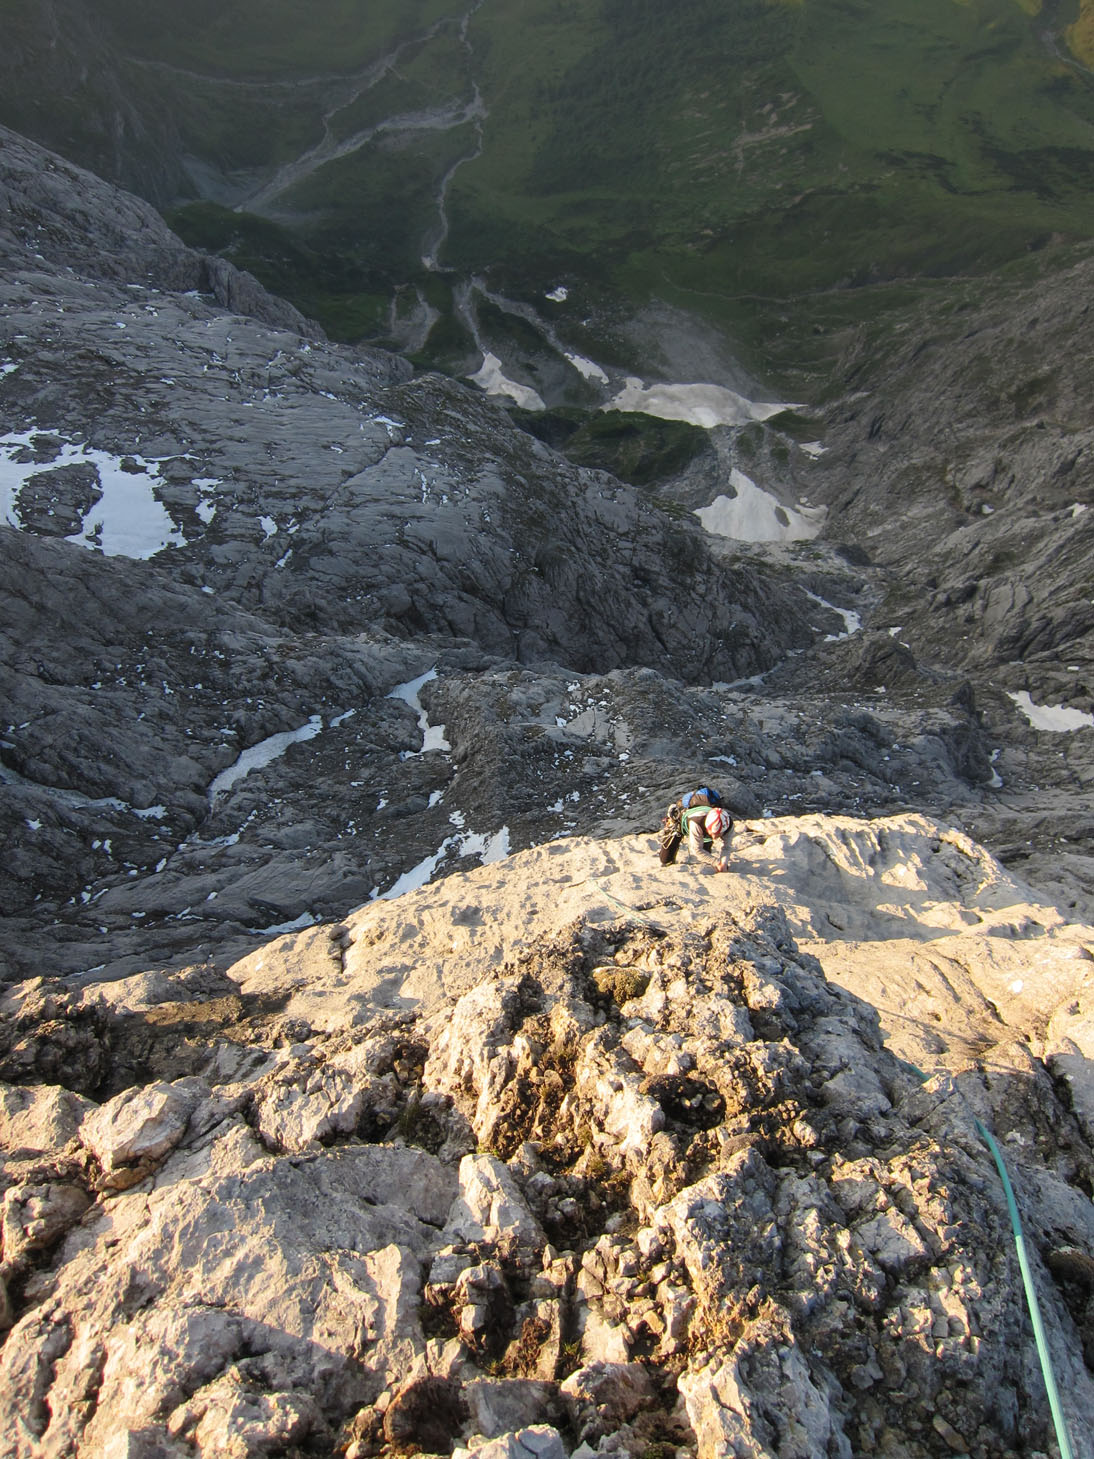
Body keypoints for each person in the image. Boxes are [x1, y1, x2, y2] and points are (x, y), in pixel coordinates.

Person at [658, 788, 733, 870]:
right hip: (683, 823)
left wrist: (724, 863)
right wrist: (717, 862)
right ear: (707, 826)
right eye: (712, 833)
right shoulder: (696, 823)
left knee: (706, 859)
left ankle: (707, 838)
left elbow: (727, 847)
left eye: (718, 834)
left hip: (703, 831)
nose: (714, 837)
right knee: (665, 860)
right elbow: (696, 850)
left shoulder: (728, 825)